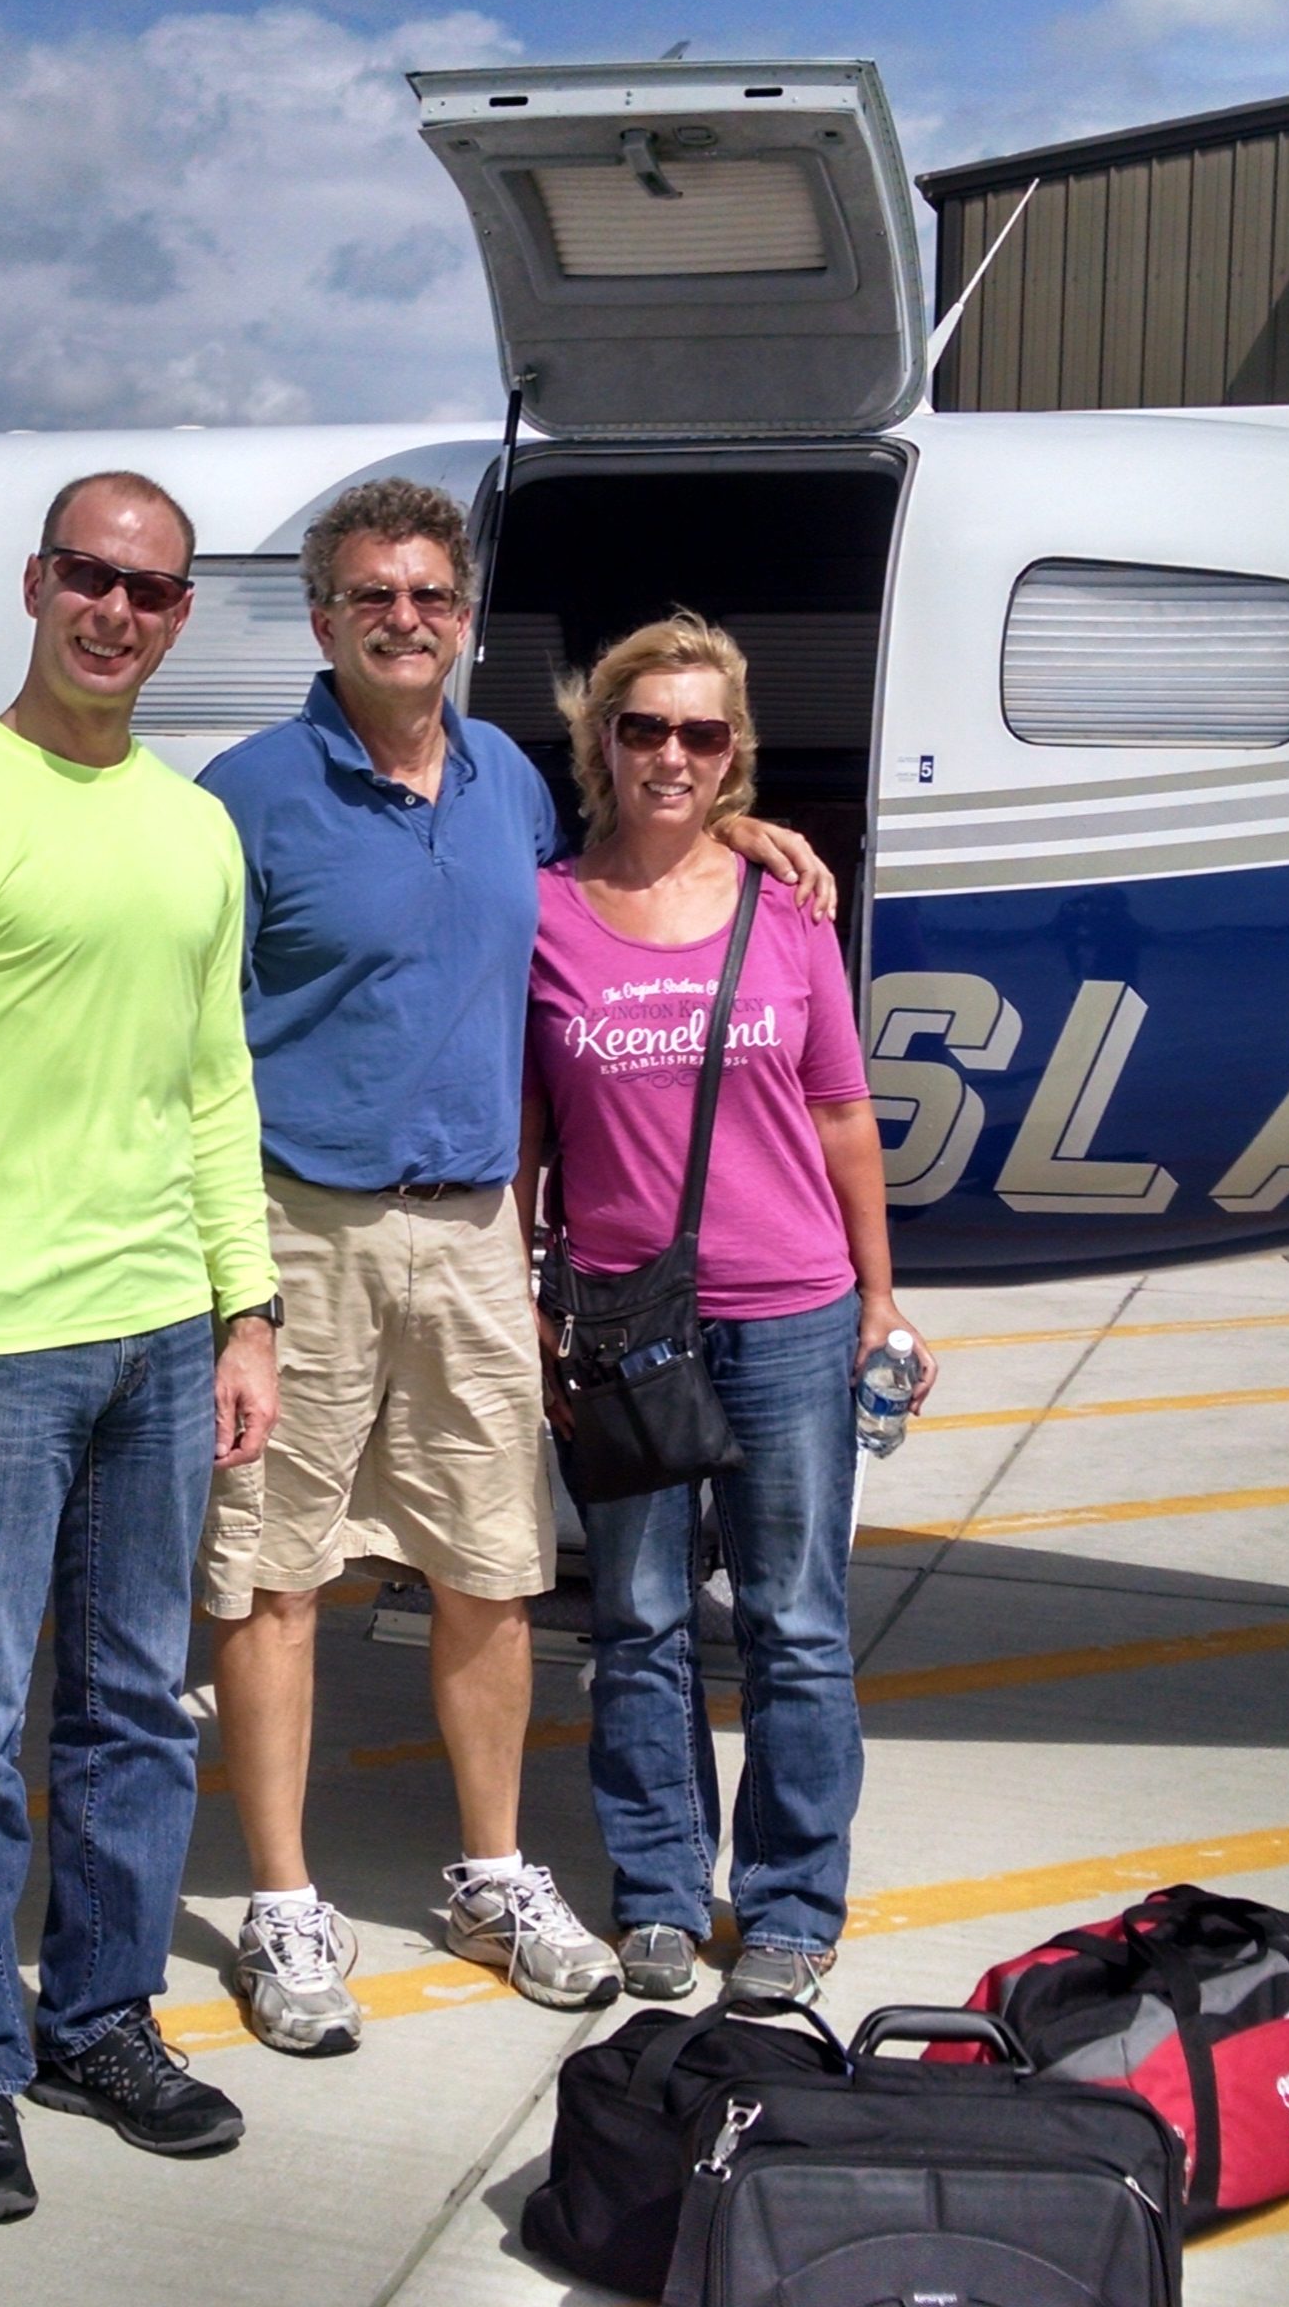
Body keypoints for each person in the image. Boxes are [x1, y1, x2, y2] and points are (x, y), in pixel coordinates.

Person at [194, 480, 833, 2054]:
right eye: (369, 595)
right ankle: (284, 1904)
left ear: (465, 618)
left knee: (489, 1565)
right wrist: (232, 1289)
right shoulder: (244, 794)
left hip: (478, 1228)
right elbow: (193, 1045)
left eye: (428, 594)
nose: (402, 618)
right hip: (302, 1223)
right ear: (322, 618)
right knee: (277, 1573)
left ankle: (491, 1873)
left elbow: (639, 845)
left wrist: (741, 825)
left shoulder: (505, 791)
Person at [0, 470, 284, 2227]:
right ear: (36, 585)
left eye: (152, 592)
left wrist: (245, 1308)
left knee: (129, 1715)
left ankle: (100, 2020)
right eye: (90, 578)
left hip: (165, 1335)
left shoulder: (191, 832)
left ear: (181, 617)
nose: (116, 612)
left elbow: (213, 1086)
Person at [518, 613, 936, 2013]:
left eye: (702, 733)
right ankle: (652, 1887)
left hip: (793, 1313)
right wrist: (525, 1289)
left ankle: (790, 1903)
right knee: (636, 1618)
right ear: (603, 745)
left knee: (794, 1623)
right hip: (627, 1319)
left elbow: (838, 1112)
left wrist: (879, 1297)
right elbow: (524, 1128)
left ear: (732, 754)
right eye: (645, 728)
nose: (673, 755)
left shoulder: (783, 908)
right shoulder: (545, 912)